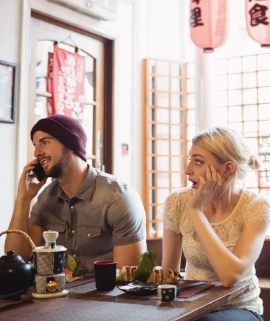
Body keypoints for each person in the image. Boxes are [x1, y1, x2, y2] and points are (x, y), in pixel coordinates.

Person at [5, 114, 146, 273]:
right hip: (56, 296)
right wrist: (24, 198)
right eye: (35, 145)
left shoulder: (118, 197)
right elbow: (17, 257)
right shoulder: (45, 199)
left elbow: (129, 276)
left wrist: (75, 278)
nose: (36, 152)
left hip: (104, 297)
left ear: (70, 143)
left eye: (45, 142)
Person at [161, 126, 270, 321]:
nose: (187, 170)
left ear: (228, 168)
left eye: (198, 161)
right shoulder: (175, 202)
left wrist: (196, 211)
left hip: (242, 309)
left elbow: (229, 276)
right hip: (191, 309)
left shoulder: (256, 206)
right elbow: (169, 275)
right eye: (190, 159)